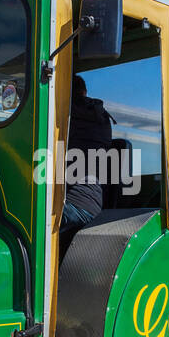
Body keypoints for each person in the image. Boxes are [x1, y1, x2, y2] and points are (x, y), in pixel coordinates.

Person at [60, 74, 112, 257]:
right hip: (93, 203)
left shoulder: (63, 115)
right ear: (85, 92)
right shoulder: (102, 119)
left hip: (75, 203)